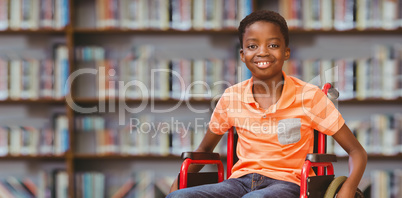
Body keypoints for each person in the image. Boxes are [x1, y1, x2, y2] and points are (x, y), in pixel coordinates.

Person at [167, 10, 367, 198]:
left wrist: (348, 187)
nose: (262, 52)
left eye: (273, 45)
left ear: (286, 52)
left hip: (290, 183)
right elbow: (204, 150)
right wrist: (176, 185)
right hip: (239, 182)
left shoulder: (310, 96)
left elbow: (357, 151)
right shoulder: (232, 97)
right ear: (243, 55)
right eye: (253, 46)